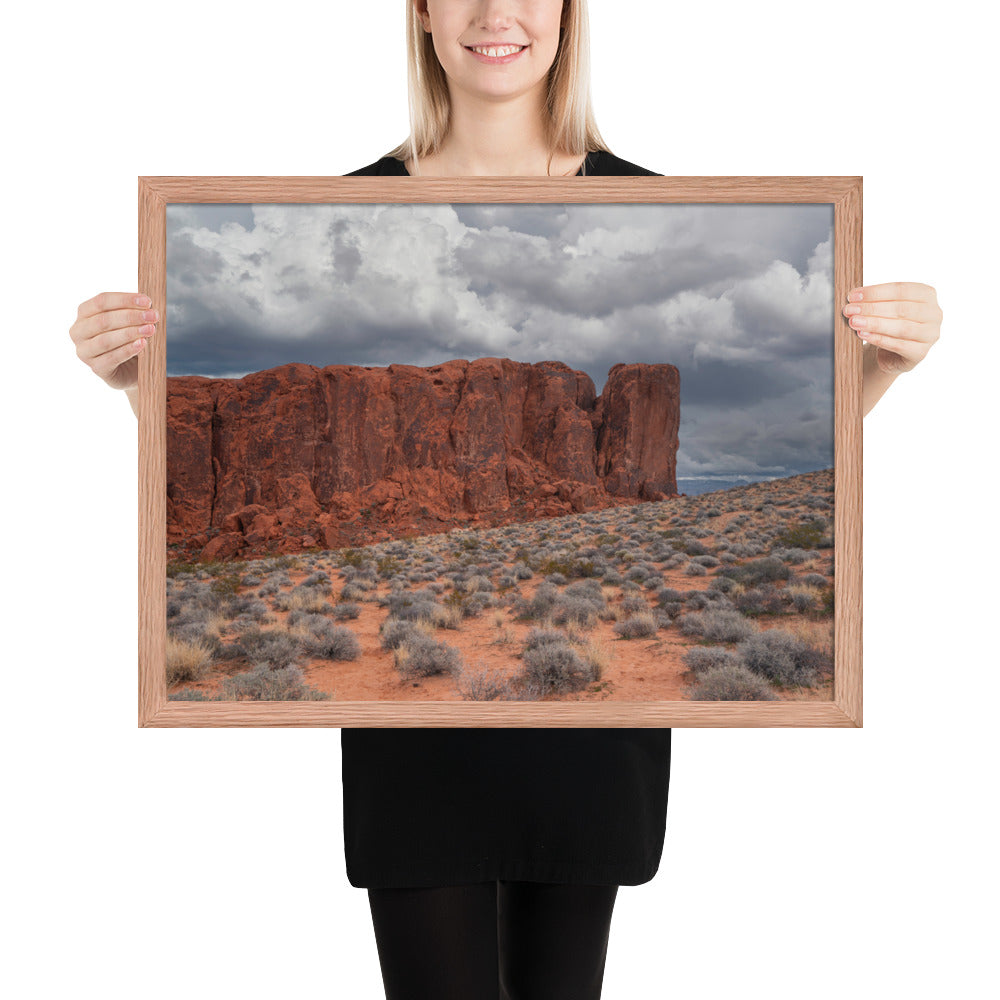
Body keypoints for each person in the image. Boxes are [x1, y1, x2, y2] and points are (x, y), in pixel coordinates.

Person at [68, 2, 942, 997]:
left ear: (569, 15)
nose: (497, 13)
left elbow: (833, 441)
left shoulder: (655, 205)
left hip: (589, 758)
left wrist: (883, 367)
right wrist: (137, 386)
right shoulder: (333, 205)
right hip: (417, 765)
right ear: (424, 14)